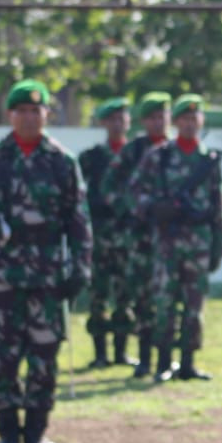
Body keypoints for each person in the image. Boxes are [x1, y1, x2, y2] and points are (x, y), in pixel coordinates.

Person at [0, 80, 92, 443]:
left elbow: (78, 219)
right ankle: (7, 434)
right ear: (10, 115)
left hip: (48, 275)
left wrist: (80, 267)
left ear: (46, 114)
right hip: (2, 272)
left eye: (37, 110)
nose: (30, 117)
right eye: (22, 111)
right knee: (5, 354)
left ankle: (35, 432)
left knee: (44, 353)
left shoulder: (62, 161)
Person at [130, 95, 222, 383]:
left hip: (199, 241)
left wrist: (219, 244)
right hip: (167, 242)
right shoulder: (159, 156)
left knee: (194, 306)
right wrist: (154, 208)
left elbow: (217, 205)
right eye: (184, 118)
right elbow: (134, 193)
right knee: (165, 303)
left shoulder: (208, 160)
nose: (190, 124)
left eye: (194, 118)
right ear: (175, 122)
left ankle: (188, 363)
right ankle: (163, 362)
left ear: (202, 121)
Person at [101, 92, 171, 378]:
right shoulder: (132, 151)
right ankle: (144, 358)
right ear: (143, 121)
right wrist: (135, 210)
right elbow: (109, 189)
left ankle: (167, 359)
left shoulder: (176, 150)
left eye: (162, 116)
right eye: (152, 117)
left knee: (169, 299)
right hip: (140, 238)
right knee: (142, 298)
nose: (158, 122)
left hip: (171, 238)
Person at [79, 97, 136, 367]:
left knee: (126, 295)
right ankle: (100, 353)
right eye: (112, 119)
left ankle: (121, 351)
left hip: (128, 237)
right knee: (98, 295)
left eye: (121, 118)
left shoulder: (137, 155)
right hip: (99, 237)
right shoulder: (92, 158)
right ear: (103, 123)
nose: (117, 124)